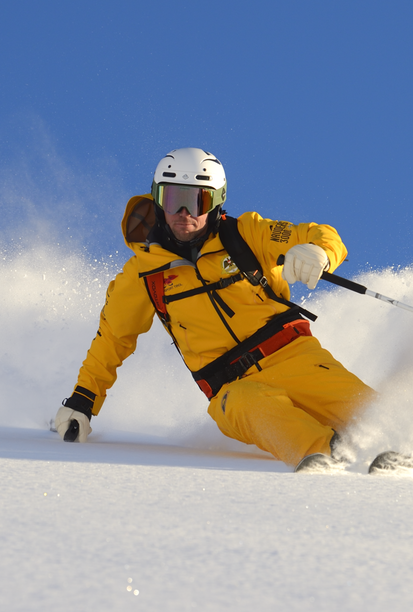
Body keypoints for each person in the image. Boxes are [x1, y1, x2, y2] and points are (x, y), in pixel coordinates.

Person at [53, 148, 374, 472]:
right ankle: (329, 460)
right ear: (158, 200)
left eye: (197, 201)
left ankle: (392, 453)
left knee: (372, 416)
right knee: (249, 406)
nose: (183, 213)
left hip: (297, 359)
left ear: (216, 201)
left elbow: (318, 234)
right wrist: (83, 401)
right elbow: (113, 338)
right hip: (233, 389)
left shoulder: (246, 234)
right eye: (172, 199)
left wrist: (319, 251)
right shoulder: (144, 273)